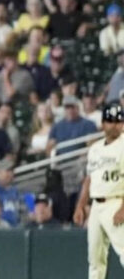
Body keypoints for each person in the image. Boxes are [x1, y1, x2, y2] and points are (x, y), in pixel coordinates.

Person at [74, 103, 124, 279]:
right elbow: (89, 179)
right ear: (103, 124)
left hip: (116, 201)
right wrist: (80, 205)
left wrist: (123, 209)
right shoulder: (95, 149)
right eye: (110, 121)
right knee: (95, 258)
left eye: (118, 121)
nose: (115, 125)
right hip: (96, 205)